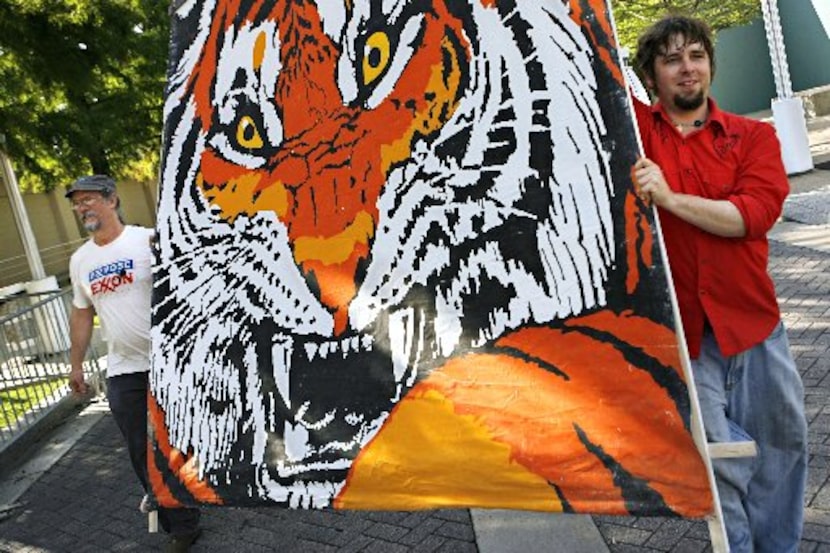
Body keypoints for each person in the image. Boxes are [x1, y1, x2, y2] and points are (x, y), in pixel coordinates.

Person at [629, 15, 808, 553]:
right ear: (652, 76)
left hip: (753, 324)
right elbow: (588, 74)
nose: (688, 69)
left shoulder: (755, 138)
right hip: (686, 333)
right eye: (672, 59)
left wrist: (668, 199)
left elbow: (749, 217)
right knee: (718, 459)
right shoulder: (632, 132)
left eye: (696, 56)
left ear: (710, 63)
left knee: (782, 446)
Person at [66, 174, 202, 552]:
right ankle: (181, 523)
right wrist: (76, 364)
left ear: (112, 201)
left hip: (170, 362)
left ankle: (191, 490)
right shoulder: (81, 261)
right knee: (139, 448)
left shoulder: (147, 240)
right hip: (124, 368)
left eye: (89, 199)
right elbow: (81, 314)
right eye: (77, 203)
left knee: (181, 441)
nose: (82, 208)